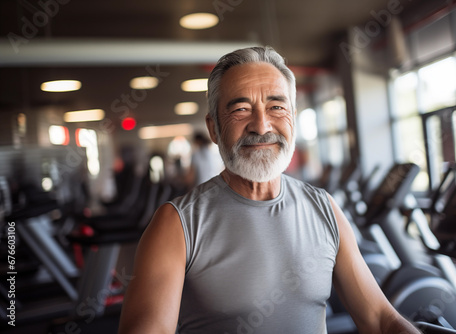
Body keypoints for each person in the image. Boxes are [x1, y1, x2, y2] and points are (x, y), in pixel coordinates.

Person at [118, 46, 420, 334]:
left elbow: (379, 319)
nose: (261, 126)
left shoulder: (325, 209)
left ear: (294, 118)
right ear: (213, 128)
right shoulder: (176, 224)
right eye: (241, 109)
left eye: (276, 107)